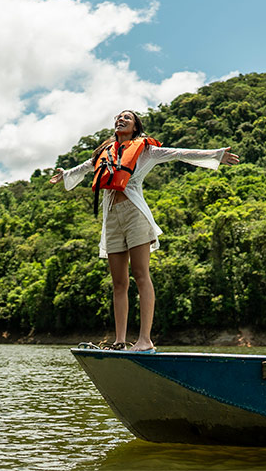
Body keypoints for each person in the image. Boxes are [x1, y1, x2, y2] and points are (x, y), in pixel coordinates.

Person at [50, 110, 239, 352]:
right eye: (118, 118)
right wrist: (66, 174)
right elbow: (86, 167)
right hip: (112, 218)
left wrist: (215, 155)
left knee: (141, 275)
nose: (121, 120)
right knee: (119, 283)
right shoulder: (104, 152)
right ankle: (119, 341)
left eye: (127, 118)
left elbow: (178, 153)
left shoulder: (146, 150)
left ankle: (144, 340)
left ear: (136, 126)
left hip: (134, 214)